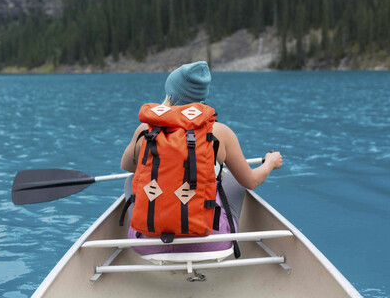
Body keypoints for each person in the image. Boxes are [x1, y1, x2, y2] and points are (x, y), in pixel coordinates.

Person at [121, 61, 282, 255]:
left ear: (170, 95)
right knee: (233, 180)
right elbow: (251, 181)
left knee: (132, 180)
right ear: (202, 97)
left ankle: (142, 230)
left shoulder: (145, 130)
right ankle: (227, 232)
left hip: (148, 246)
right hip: (210, 243)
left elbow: (126, 166)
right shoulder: (221, 132)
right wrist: (271, 163)